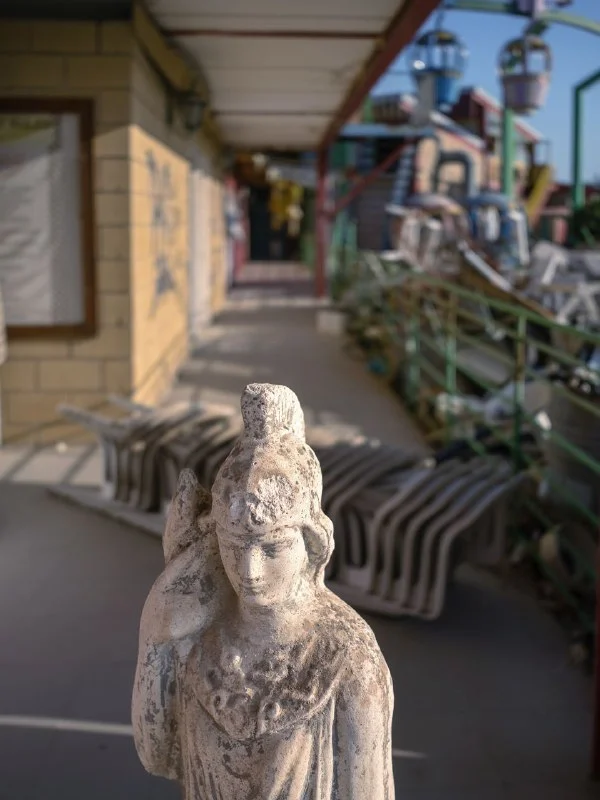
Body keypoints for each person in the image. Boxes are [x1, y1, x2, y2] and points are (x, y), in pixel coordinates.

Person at [133, 383, 394, 799]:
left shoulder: (349, 661)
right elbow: (157, 757)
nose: (250, 571)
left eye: (271, 548)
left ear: (311, 544)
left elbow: (368, 792)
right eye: (234, 546)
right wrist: (155, 636)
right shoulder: (197, 635)